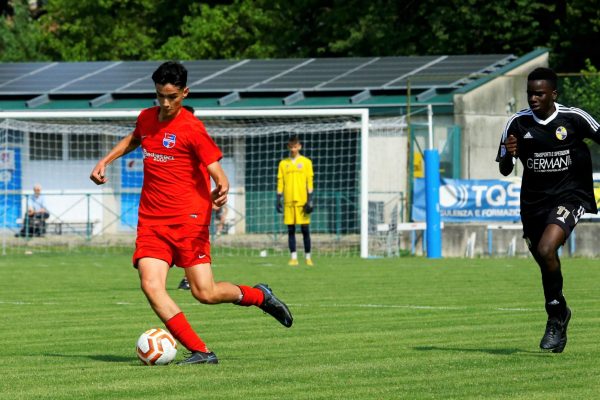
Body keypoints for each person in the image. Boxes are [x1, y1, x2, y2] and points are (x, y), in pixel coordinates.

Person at [90, 61, 293, 365]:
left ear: (185, 92)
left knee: (205, 292)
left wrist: (222, 187)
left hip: (189, 221)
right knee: (151, 285)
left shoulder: (192, 128)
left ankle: (259, 296)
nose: (166, 103)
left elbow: (217, 172)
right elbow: (135, 138)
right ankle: (201, 351)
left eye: (172, 96)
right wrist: (106, 160)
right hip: (152, 222)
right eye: (160, 96)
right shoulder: (147, 118)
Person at [497, 67, 600, 353]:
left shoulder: (574, 118)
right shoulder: (516, 123)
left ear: (553, 94)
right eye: (530, 93)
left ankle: (554, 317)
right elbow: (505, 169)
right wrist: (509, 153)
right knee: (544, 259)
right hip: (532, 204)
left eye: (539, 94)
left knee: (545, 250)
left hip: (571, 196)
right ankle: (561, 311)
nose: (533, 98)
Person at [277, 135, 314, 266]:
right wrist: (278, 198)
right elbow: (280, 181)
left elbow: (309, 181)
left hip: (302, 201)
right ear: (288, 147)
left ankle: (308, 257)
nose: (293, 149)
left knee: (305, 230)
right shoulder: (283, 163)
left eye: (295, 146)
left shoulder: (306, 162)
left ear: (300, 146)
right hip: (288, 201)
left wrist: (310, 199)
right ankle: (293, 258)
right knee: (291, 230)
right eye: (291, 146)